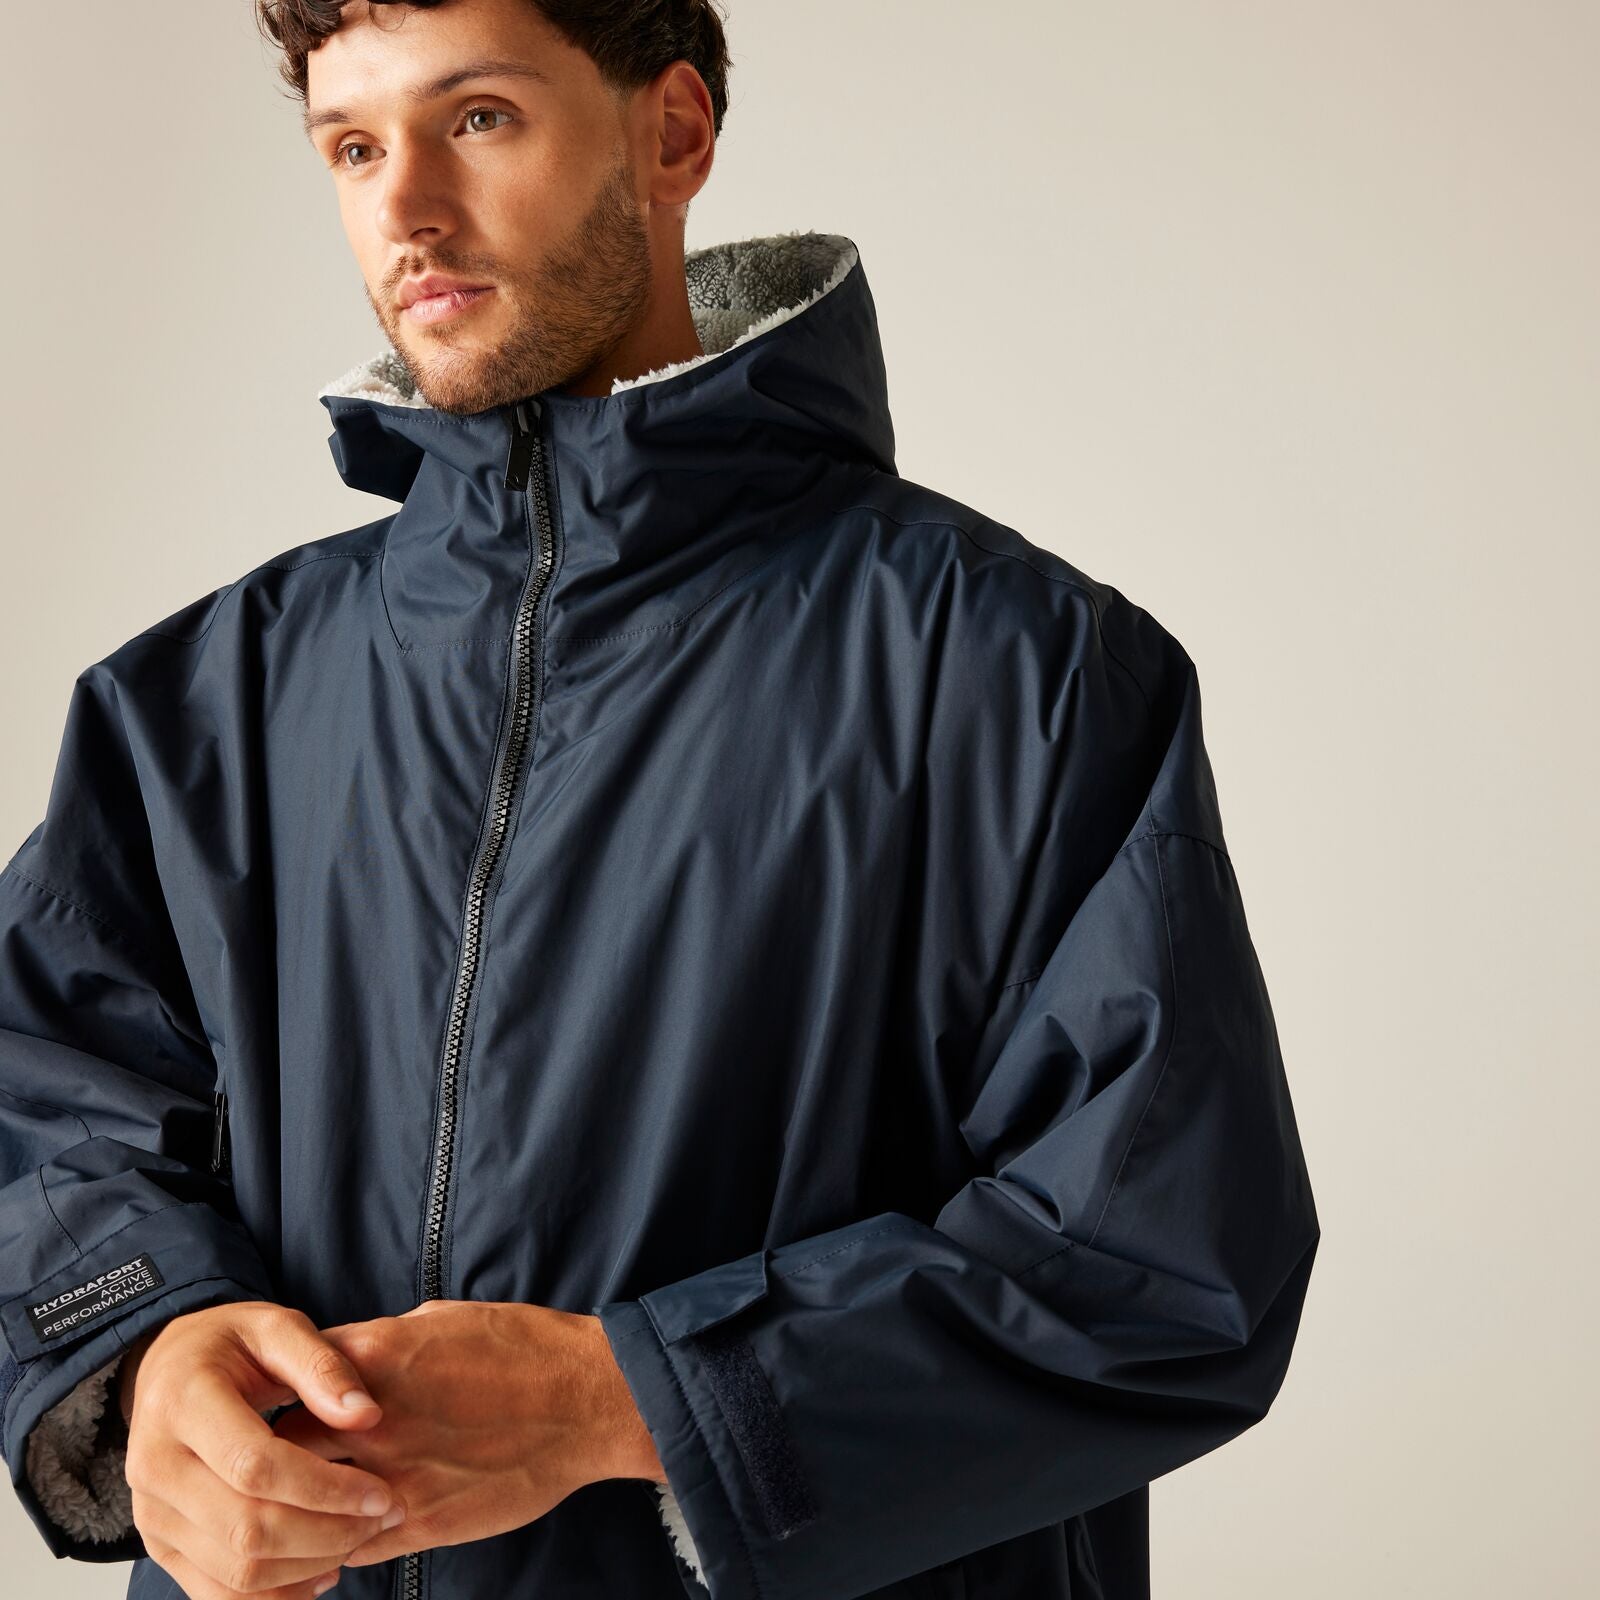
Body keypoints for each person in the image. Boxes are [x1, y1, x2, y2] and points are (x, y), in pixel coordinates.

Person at [0, 1, 1320, 1597]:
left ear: (672, 132)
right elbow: (39, 1096)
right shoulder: (204, 699)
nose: (406, 208)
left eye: (477, 119)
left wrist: (620, 1400)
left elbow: (1162, 1265)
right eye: (352, 146)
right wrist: (152, 1349)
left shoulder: (1020, 669)